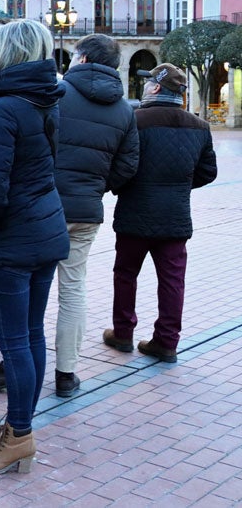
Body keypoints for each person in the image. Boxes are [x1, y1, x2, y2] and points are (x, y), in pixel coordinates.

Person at [0, 35, 139, 395]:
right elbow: (128, 165)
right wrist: (96, 187)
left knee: (29, 302)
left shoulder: (55, 95)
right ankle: (66, 372)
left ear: (79, 58)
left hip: (41, 207)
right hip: (87, 210)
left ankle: (12, 367)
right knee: (73, 290)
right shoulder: (125, 109)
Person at [0, 19, 69, 474]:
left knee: (15, 342)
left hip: (13, 238)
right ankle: (19, 430)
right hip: (45, 229)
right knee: (31, 335)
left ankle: (19, 435)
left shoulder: (5, 108)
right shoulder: (47, 99)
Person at [105, 63, 217, 363]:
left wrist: (122, 186)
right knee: (172, 280)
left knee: (126, 274)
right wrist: (178, 187)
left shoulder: (133, 120)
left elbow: (120, 166)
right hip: (175, 217)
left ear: (155, 87)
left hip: (134, 213)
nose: (144, 87)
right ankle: (166, 342)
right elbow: (208, 173)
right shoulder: (200, 126)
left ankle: (123, 333)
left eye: (148, 82)